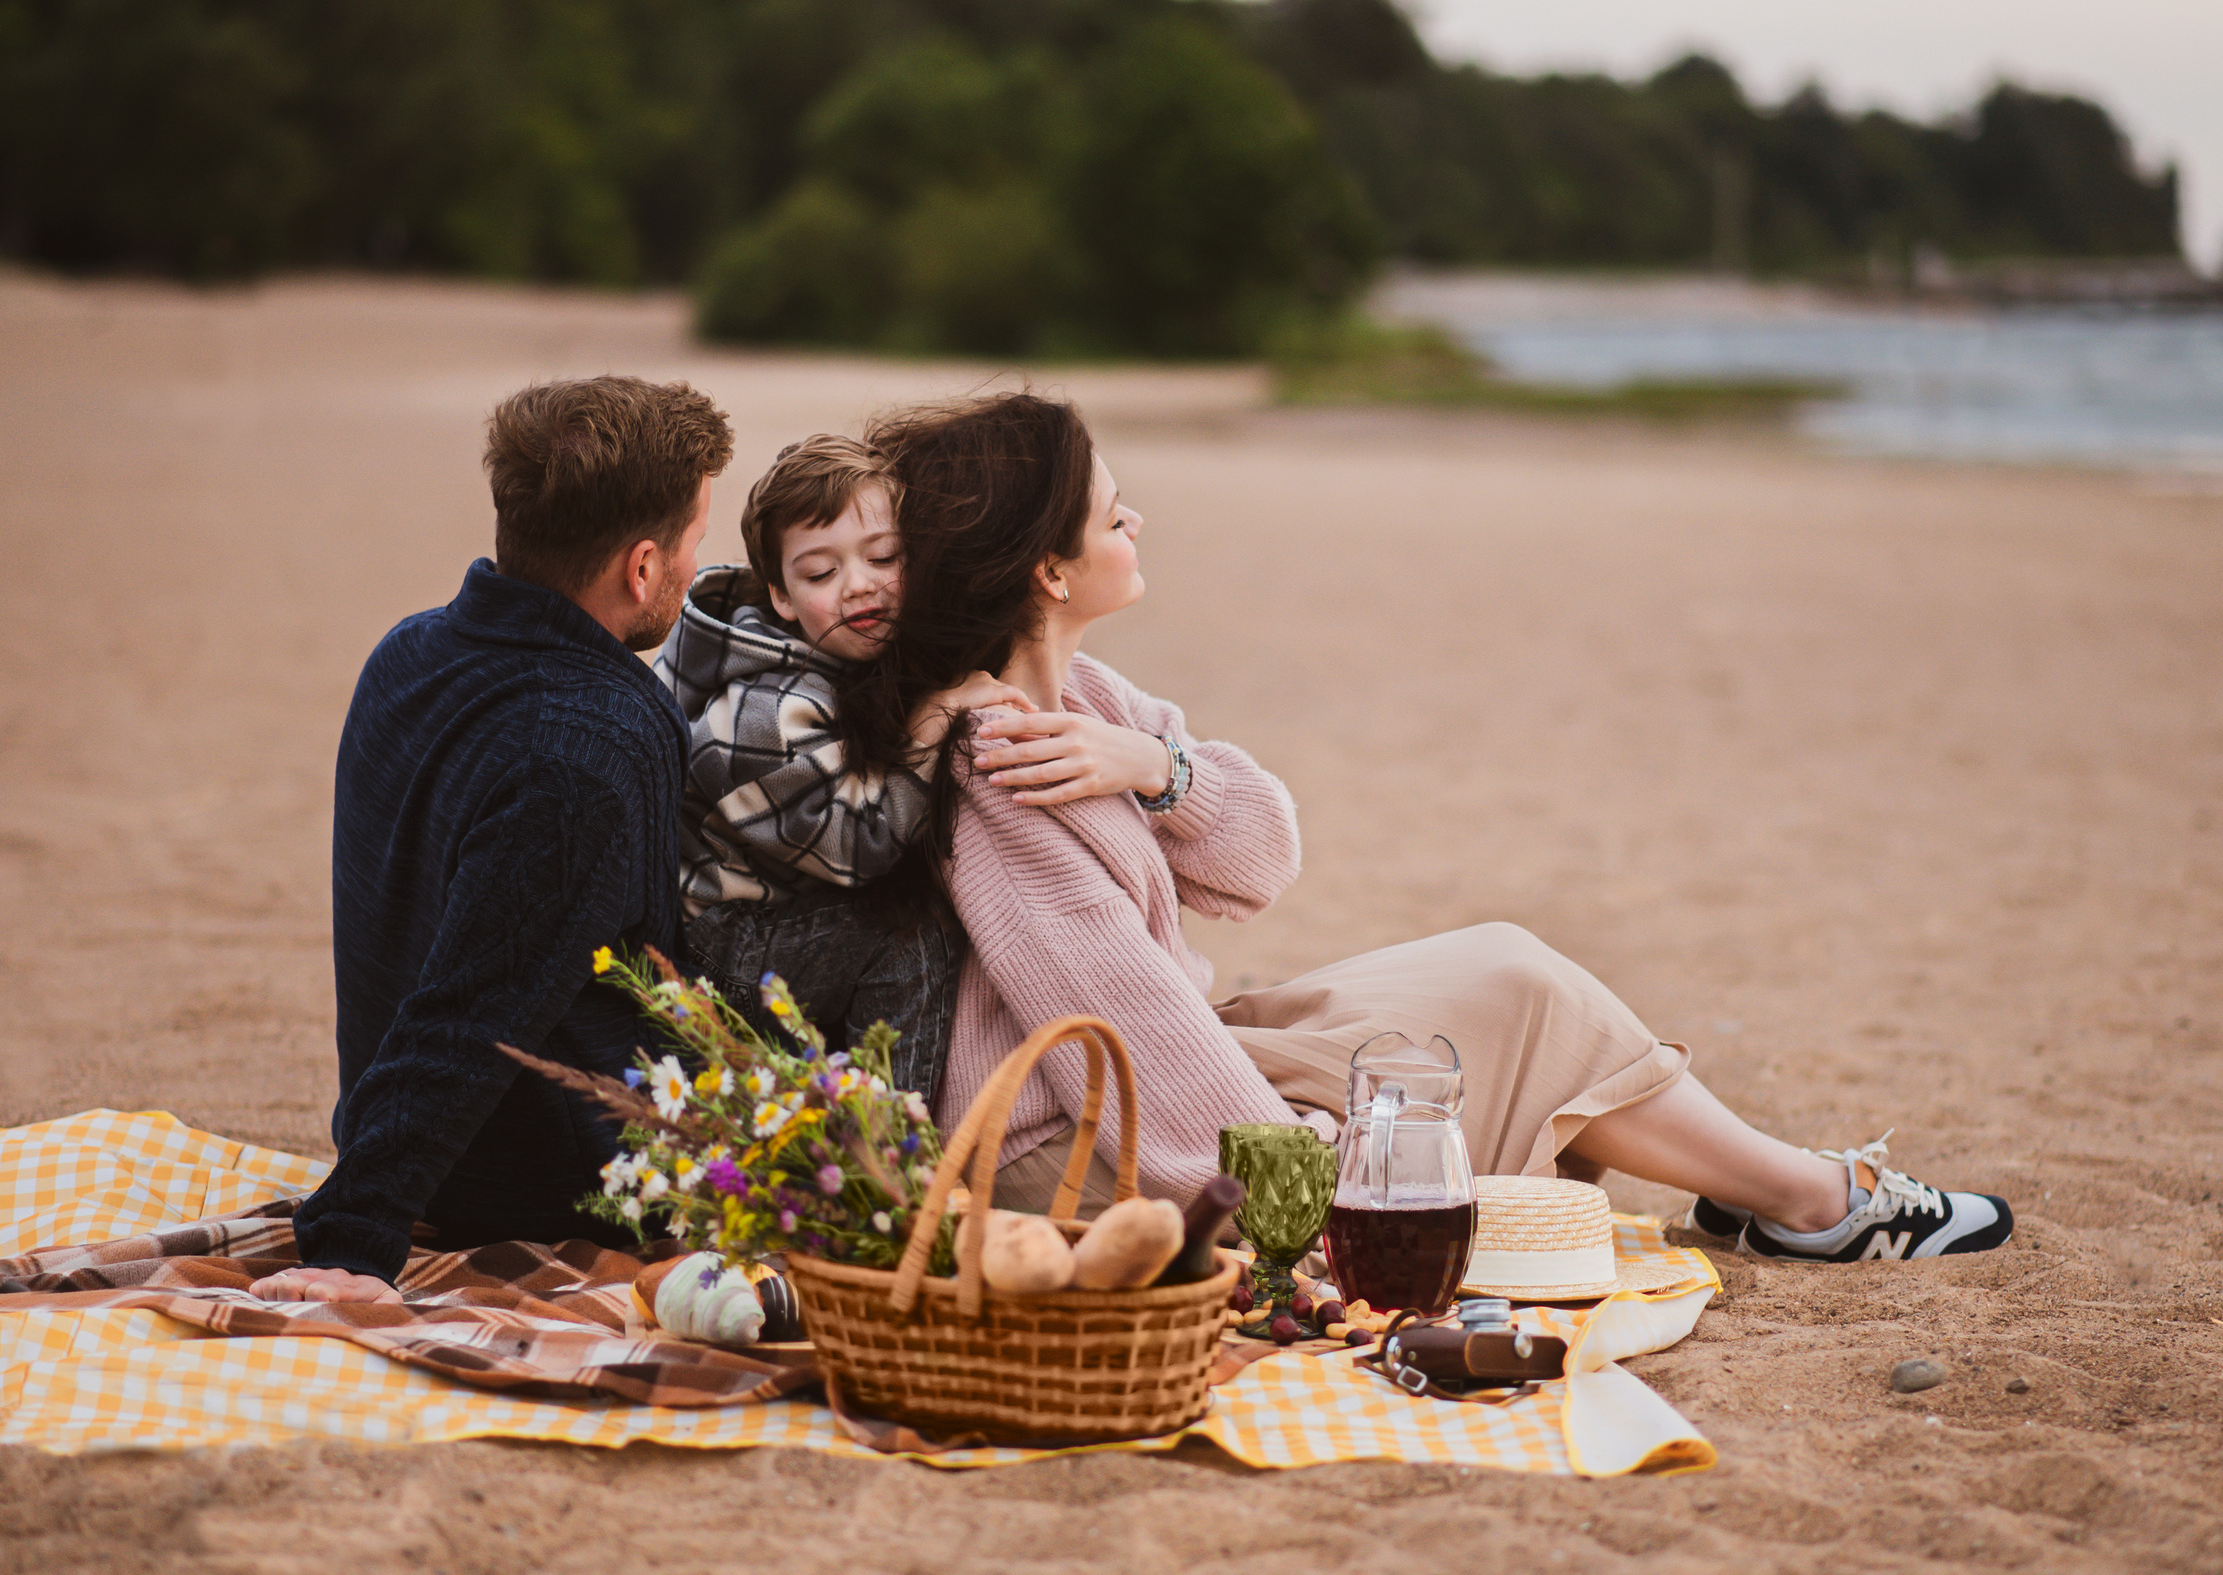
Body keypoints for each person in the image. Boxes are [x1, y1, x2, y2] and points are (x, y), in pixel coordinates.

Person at [873, 391, 2013, 1264]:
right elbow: (1116, 1018)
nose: (1138, 520)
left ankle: (1791, 1194)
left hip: (1179, 1057)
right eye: (1111, 512)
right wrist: (1294, 1196)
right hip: (1085, 1154)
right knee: (1500, 1023)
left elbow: (1263, 856)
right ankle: (1811, 1202)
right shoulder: (1002, 760)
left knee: (1509, 971)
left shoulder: (1095, 706)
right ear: (1047, 571)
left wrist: (1158, 770)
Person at [252, 377, 734, 1303]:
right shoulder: (590, 746)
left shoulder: (408, 651)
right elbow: (471, 1006)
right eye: (694, 541)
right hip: (547, 1183)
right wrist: (353, 1245)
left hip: (430, 1133)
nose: (693, 564)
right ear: (642, 568)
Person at [656, 433, 1026, 1095]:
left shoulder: (842, 664)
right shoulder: (764, 711)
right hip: (722, 949)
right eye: (821, 574)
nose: (860, 586)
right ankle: (892, 1155)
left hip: (787, 913)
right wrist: (931, 725)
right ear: (783, 599)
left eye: (884, 556)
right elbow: (859, 844)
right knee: (911, 938)